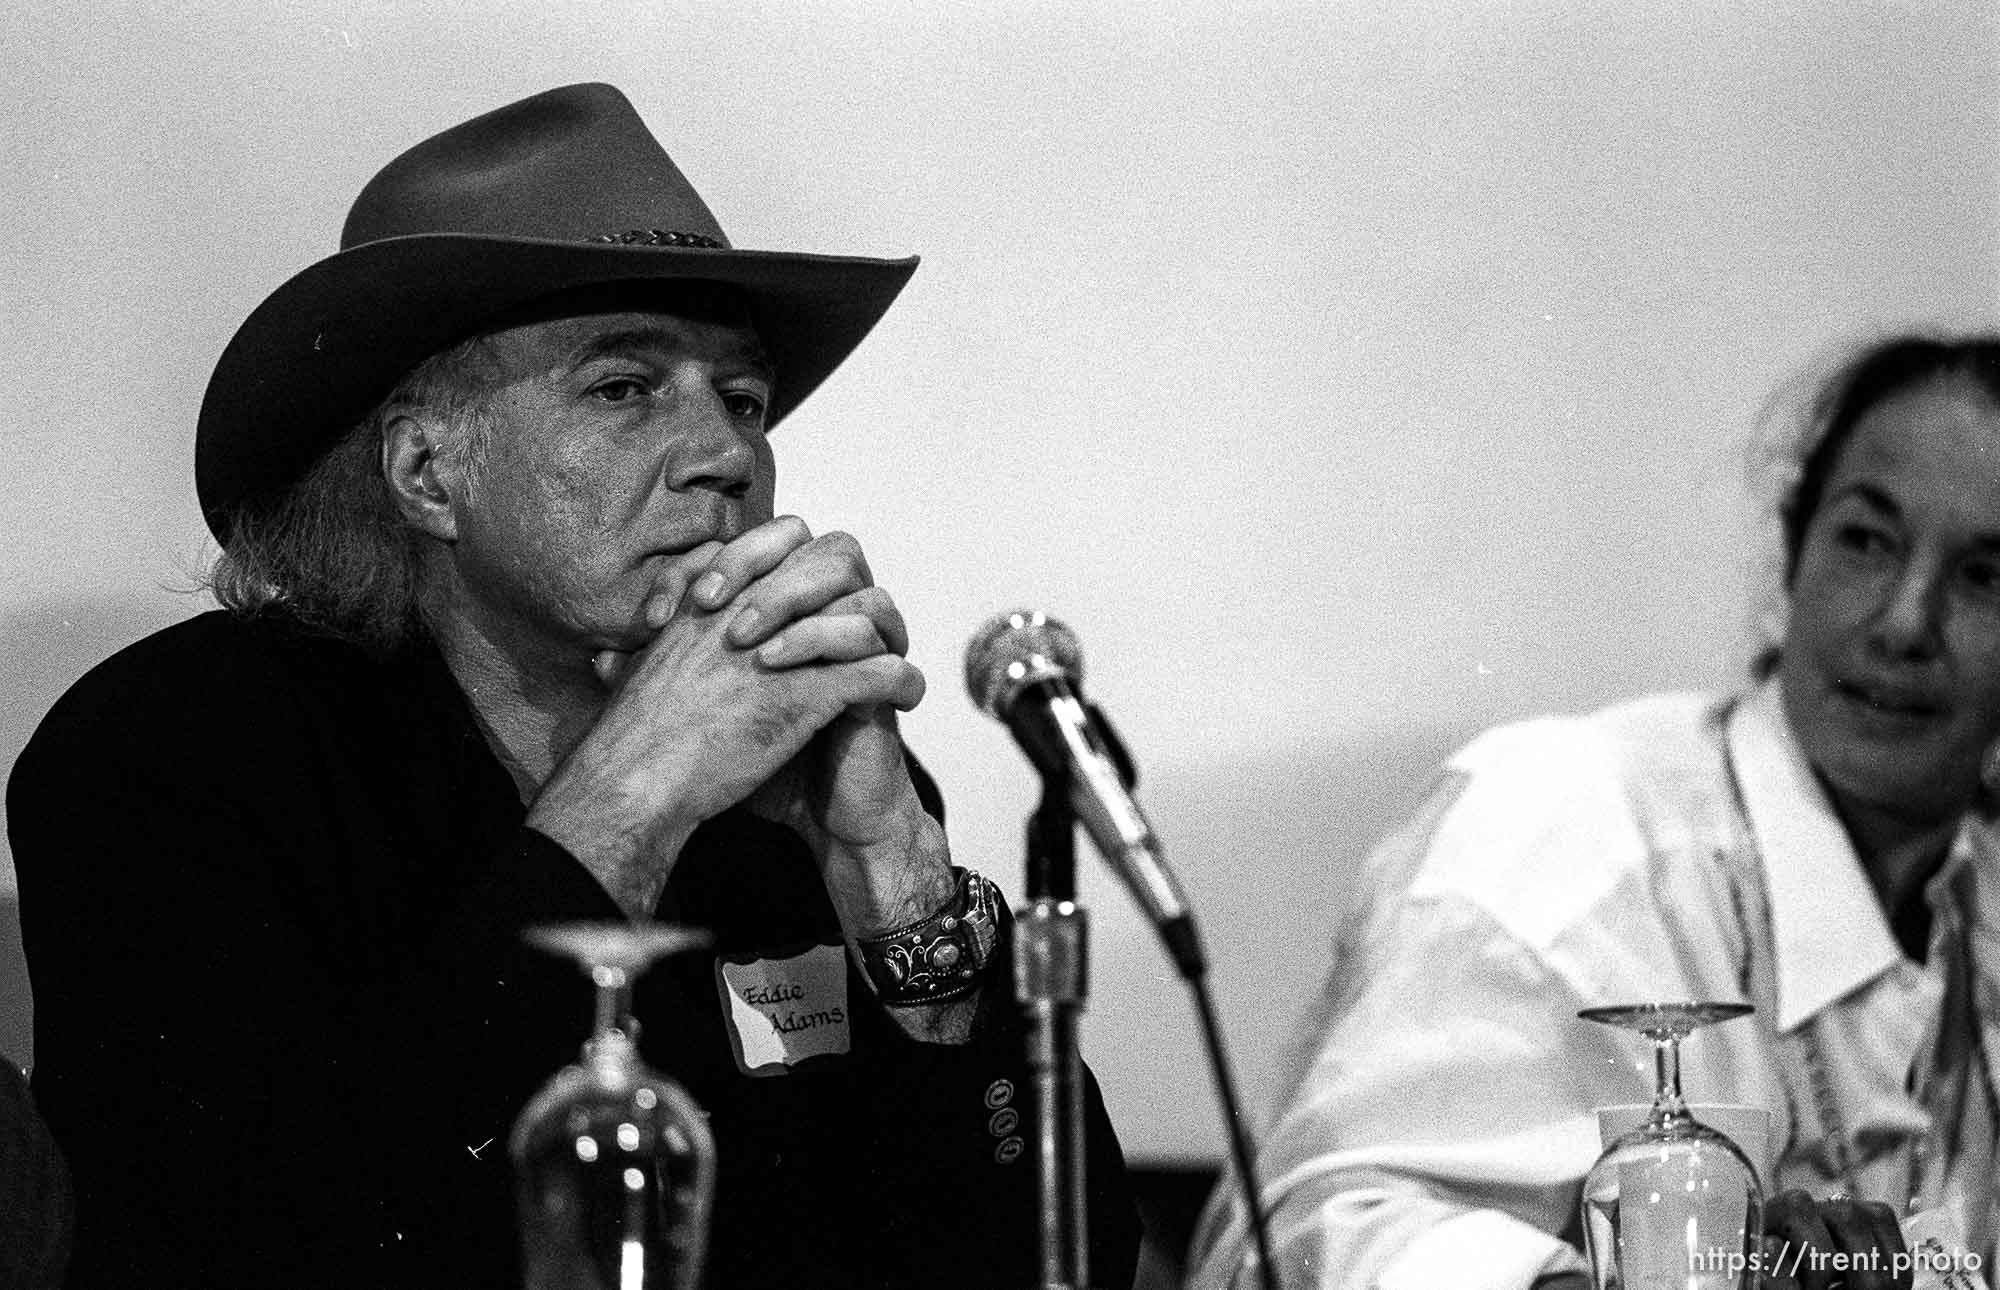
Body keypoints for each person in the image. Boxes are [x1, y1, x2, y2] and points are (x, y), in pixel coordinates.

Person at [9, 83, 1138, 1290]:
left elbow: (1062, 1264)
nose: (727, 457)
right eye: (623, 387)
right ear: (427, 469)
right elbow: (273, 1239)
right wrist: (632, 793)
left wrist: (900, 896)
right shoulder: (173, 753)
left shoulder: (795, 768)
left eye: (743, 399)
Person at [1188, 335, 2000, 1290]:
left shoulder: (1976, 894)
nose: (1906, 622)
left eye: (1985, 576)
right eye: (1865, 540)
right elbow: (1323, 1237)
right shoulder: (1568, 822)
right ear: (1791, 555)